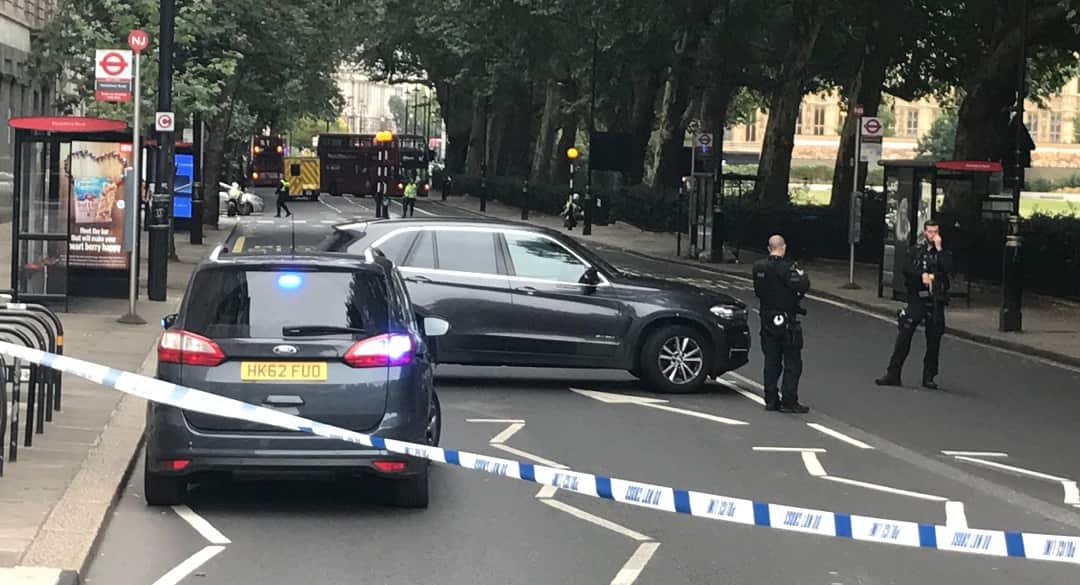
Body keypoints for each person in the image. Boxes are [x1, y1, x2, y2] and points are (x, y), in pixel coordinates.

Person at [876, 219, 953, 390]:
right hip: (917, 298)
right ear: (925, 232)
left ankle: (929, 376)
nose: (933, 235)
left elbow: (948, 268)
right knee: (905, 333)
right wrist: (921, 275)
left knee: (934, 338)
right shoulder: (916, 250)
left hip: (935, 299)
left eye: (936, 232)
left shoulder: (943, 253)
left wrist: (939, 251)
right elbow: (906, 268)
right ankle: (893, 373)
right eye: (930, 232)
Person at [753, 235, 811, 413]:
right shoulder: (787, 268)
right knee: (792, 362)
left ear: (769, 248)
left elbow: (758, 292)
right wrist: (801, 276)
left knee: (771, 361)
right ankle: (789, 400)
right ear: (783, 247)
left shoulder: (758, 267)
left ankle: (771, 399)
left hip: (767, 318)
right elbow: (803, 285)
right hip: (787, 320)